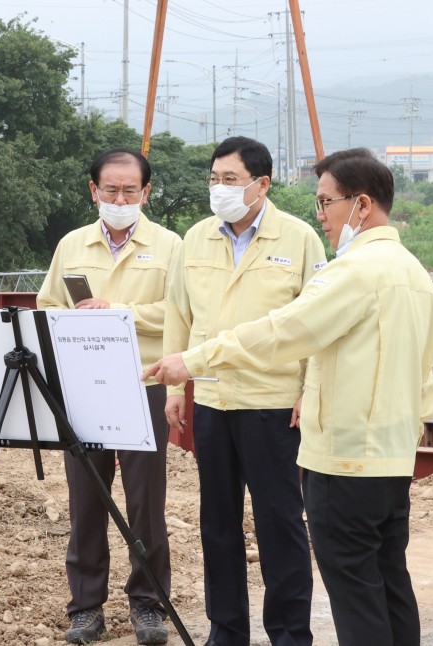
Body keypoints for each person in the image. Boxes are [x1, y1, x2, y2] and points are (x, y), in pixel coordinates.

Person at [145, 148, 433, 646]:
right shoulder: (413, 274)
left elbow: (284, 332)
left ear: (362, 204)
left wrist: (192, 362)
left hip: (344, 459)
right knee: (389, 581)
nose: (321, 215)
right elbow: (423, 380)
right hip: (390, 459)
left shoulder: (352, 271)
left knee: (354, 590)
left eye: (326, 202)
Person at [161, 136, 326, 646]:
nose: (219, 188)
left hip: (272, 404)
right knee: (218, 524)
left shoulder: (298, 239)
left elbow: (319, 323)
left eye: (229, 180)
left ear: (262, 184)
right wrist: (176, 388)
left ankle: (289, 633)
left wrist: (309, 389)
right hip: (210, 399)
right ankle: (226, 631)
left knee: (280, 523)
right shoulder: (195, 239)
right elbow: (178, 315)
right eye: (213, 179)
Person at [37, 148, 181, 645]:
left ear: (145, 193)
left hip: (145, 384)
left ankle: (147, 604)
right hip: (84, 389)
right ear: (94, 191)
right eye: (110, 190)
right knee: (86, 500)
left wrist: (116, 312)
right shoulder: (71, 246)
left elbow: (180, 313)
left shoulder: (170, 246)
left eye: (130, 190)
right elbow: (47, 306)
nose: (120, 198)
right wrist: (76, 320)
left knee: (145, 503)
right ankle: (85, 609)